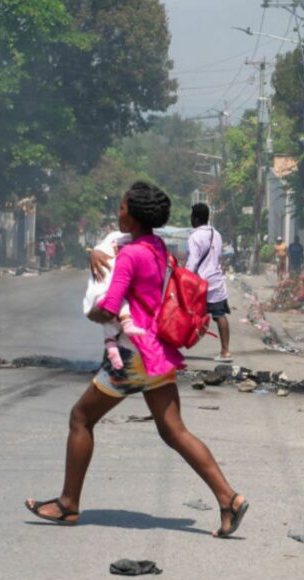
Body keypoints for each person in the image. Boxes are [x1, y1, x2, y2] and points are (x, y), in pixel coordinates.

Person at [25, 181, 249, 538]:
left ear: (135, 214)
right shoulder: (157, 247)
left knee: (80, 418)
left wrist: (93, 311)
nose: (118, 212)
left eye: (122, 208)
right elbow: (111, 246)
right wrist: (91, 254)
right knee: (174, 431)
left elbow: (110, 307)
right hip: (158, 352)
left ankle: (68, 504)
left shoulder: (130, 256)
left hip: (132, 356)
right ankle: (229, 498)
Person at [81, 230, 147, 374]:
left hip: (100, 303)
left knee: (109, 330)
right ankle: (125, 328)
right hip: (111, 304)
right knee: (119, 306)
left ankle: (112, 355)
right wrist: (95, 253)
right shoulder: (116, 249)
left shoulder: (142, 246)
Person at [186, 203, 234, 363]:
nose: (191, 219)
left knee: (184, 312)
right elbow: (218, 256)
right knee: (220, 315)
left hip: (200, 282)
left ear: (196, 218)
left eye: (192, 216)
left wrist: (184, 277)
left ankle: (173, 346)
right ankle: (226, 351)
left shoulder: (194, 237)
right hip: (216, 281)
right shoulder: (217, 234)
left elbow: (193, 261)